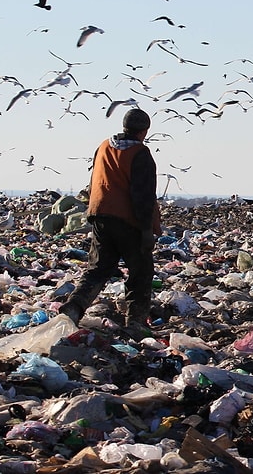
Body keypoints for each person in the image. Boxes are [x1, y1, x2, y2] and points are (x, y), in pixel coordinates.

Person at [59, 108, 162, 340]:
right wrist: (147, 231)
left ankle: (73, 308)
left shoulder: (104, 146)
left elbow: (95, 179)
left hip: (101, 216)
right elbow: (143, 195)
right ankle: (135, 323)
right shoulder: (140, 154)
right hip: (129, 221)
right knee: (141, 271)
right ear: (144, 131)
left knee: (98, 269)